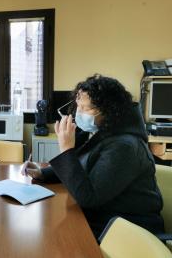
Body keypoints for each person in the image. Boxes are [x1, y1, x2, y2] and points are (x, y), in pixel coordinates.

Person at [22, 74, 164, 238]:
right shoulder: (102, 131)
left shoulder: (124, 147)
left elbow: (88, 197)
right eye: (78, 106)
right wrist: (43, 173)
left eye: (86, 108)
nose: (78, 113)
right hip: (104, 219)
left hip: (127, 231)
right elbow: (83, 165)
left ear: (109, 110)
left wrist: (66, 149)